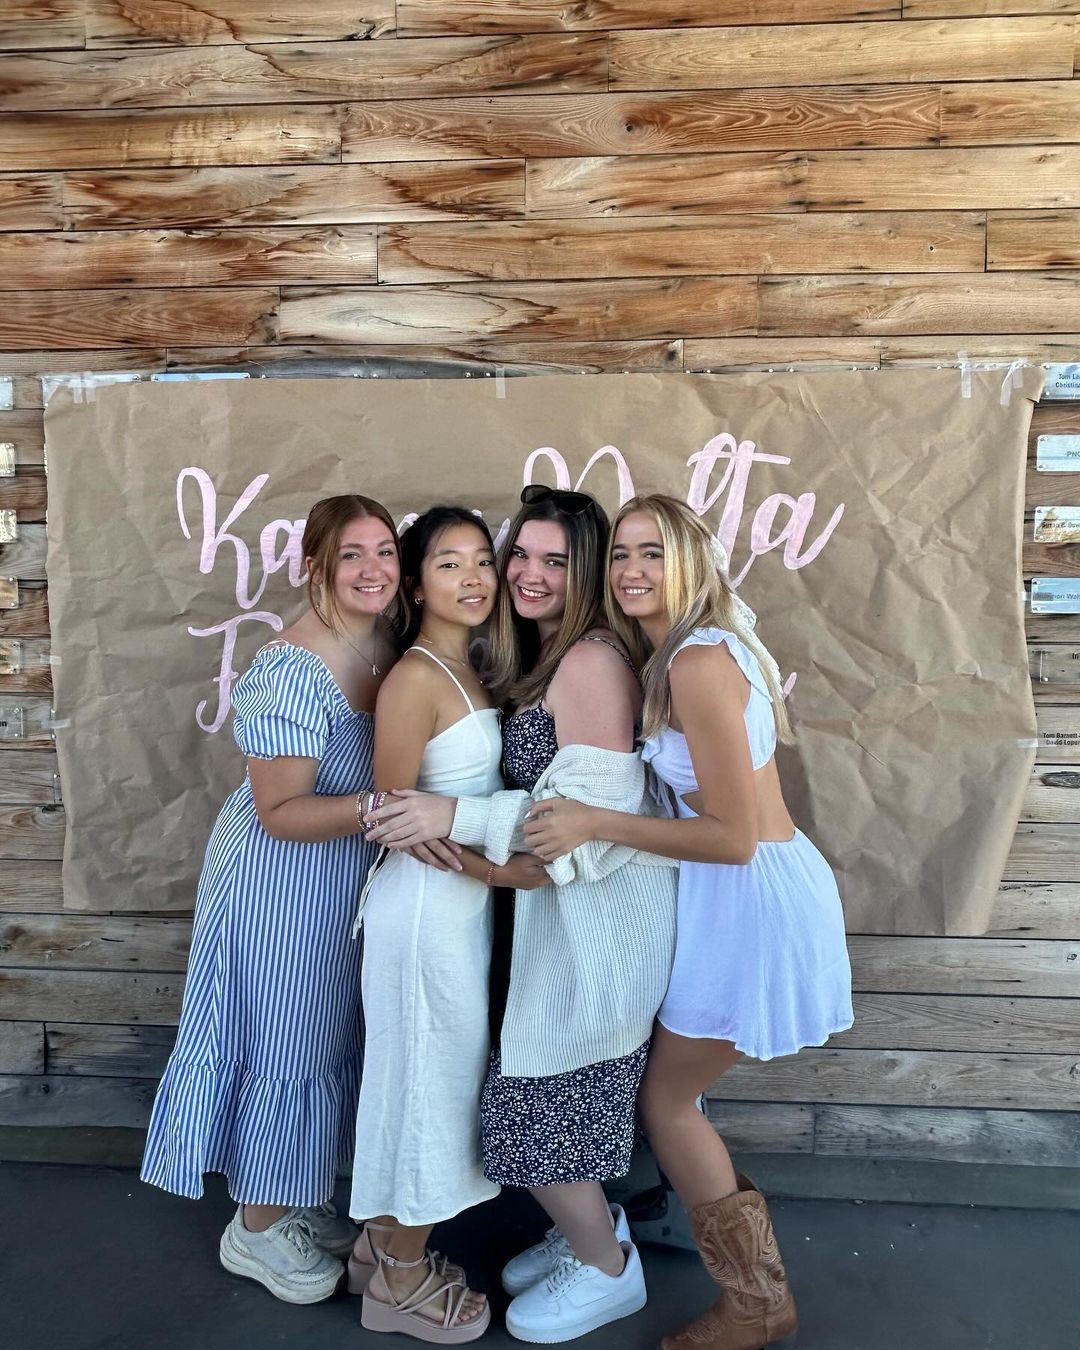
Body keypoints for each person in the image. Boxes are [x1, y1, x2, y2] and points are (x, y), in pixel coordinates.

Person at [522, 493, 854, 1350]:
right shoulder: (683, 649)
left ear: (692, 563)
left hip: (750, 899)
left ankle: (756, 1302)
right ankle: (737, 1273)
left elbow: (733, 838)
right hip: (729, 895)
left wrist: (593, 822)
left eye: (654, 553)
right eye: (622, 554)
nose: (633, 570)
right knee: (675, 1095)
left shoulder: (699, 661)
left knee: (668, 1101)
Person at [366, 485, 677, 1344]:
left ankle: (608, 1271)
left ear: (589, 572)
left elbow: (573, 841)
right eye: (522, 555)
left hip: (598, 924)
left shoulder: (590, 663)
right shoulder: (541, 656)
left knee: (535, 1106)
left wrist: (453, 823)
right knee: (541, 1100)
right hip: (560, 921)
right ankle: (587, 1237)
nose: (528, 574)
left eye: (557, 561)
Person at [141, 493, 408, 1305]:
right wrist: (391, 811)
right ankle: (254, 1229)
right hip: (280, 878)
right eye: (352, 554)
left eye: (385, 551)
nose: (374, 569)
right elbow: (280, 811)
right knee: (287, 1041)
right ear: (315, 567)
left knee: (329, 1034)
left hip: (344, 872)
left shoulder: (386, 642)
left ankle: (291, 1194)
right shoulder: (291, 667)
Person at [348, 504, 547, 1345]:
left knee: (427, 1085)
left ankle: (377, 1251)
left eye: (481, 561)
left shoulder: (473, 664)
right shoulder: (415, 678)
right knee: (428, 1094)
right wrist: (501, 868)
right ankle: (397, 1281)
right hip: (423, 916)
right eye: (448, 564)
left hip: (456, 916)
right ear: (417, 584)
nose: (473, 578)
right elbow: (396, 819)